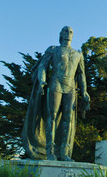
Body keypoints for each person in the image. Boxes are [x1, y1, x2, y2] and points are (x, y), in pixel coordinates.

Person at [22, 26, 90, 161]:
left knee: (68, 118)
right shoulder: (53, 50)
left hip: (71, 87)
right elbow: (43, 66)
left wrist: (84, 91)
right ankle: (50, 151)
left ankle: (64, 152)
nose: (68, 34)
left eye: (71, 32)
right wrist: (42, 80)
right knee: (51, 116)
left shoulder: (78, 54)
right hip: (55, 84)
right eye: (66, 31)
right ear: (61, 34)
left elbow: (81, 75)